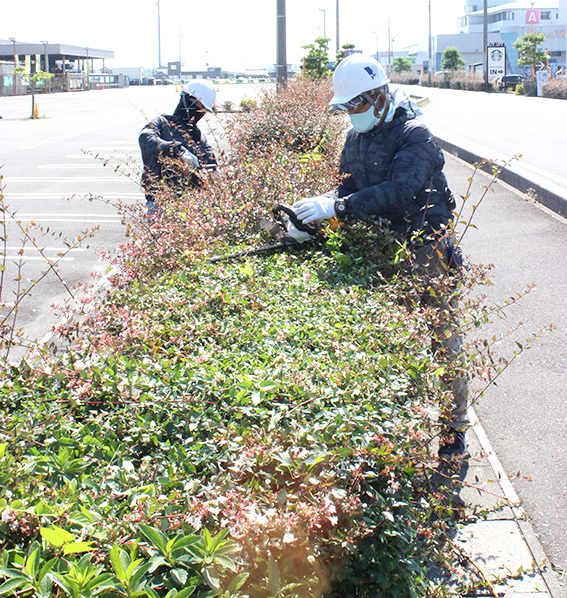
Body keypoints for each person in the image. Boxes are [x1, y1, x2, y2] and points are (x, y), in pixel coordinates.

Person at [292, 53, 469, 457]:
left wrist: (338, 208)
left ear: (377, 96)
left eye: (354, 105)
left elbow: (401, 189)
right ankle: (398, 421)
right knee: (391, 337)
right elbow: (347, 186)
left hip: (427, 249)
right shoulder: (356, 136)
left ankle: (452, 427)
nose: (350, 114)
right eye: (346, 107)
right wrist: (321, 206)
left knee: (442, 337)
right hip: (383, 248)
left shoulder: (415, 134)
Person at [138, 79, 218, 214]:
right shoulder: (161, 123)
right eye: (199, 106)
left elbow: (210, 163)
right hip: (160, 203)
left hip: (191, 205)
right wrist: (175, 150)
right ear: (187, 100)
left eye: (204, 109)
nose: (201, 112)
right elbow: (145, 138)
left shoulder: (197, 135)